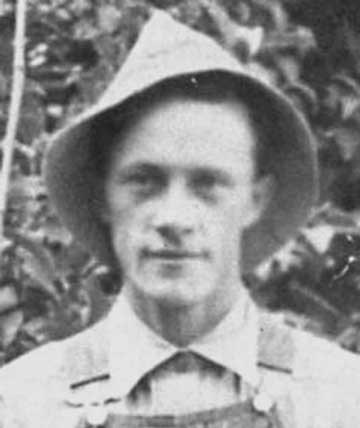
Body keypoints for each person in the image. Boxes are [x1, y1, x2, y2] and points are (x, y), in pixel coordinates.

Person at [0, 9, 360, 428]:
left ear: (255, 199)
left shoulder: (339, 399)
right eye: (144, 181)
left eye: (208, 184)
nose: (174, 218)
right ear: (102, 195)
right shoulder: (23, 405)